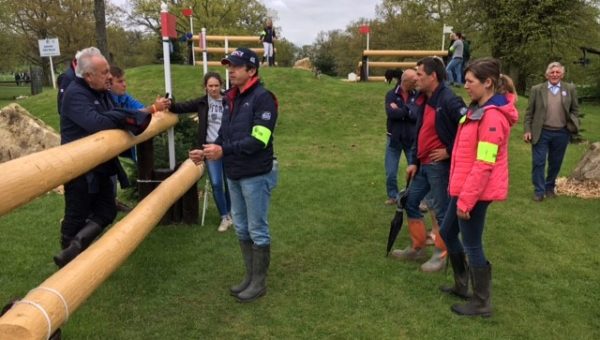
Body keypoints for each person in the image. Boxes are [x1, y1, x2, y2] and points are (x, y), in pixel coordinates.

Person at [54, 47, 151, 268]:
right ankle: (69, 265)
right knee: (75, 217)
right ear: (89, 76)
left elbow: (114, 116)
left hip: (102, 164)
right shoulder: (75, 93)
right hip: (78, 167)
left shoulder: (102, 92)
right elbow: (97, 123)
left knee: (107, 211)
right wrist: (118, 117)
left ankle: (76, 249)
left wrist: (116, 116)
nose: (110, 76)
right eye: (104, 72)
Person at [194, 48, 278, 303]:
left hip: (255, 173)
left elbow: (259, 140)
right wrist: (207, 151)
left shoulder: (264, 98)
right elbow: (223, 133)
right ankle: (249, 277)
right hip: (234, 172)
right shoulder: (230, 97)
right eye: (229, 66)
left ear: (251, 71)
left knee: (257, 229)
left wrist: (224, 150)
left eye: (236, 66)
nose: (230, 70)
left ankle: (259, 283)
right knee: (241, 227)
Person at [439, 58, 519, 317]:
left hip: (476, 193)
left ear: (488, 83)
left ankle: (481, 301)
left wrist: (467, 200)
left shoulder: (492, 117)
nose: (466, 86)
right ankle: (462, 285)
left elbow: (485, 163)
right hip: (462, 187)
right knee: (447, 232)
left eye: (470, 81)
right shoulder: (476, 109)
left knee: (472, 243)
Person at [390, 57, 466, 273]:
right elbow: (420, 132)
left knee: (442, 212)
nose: (416, 79)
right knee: (410, 202)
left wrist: (449, 151)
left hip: (439, 167)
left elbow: (468, 132)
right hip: (423, 164)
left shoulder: (450, 100)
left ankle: (441, 255)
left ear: (433, 76)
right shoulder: (425, 99)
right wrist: (414, 161)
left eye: (420, 75)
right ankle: (417, 248)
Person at [168, 71, 233, 232]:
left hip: (228, 148)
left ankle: (232, 213)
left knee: (230, 183)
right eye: (210, 86)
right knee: (217, 183)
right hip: (209, 149)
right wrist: (169, 103)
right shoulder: (202, 103)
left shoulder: (230, 100)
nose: (213, 89)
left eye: (216, 85)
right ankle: (224, 216)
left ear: (221, 85)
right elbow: (180, 107)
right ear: (205, 87)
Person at [524, 61, 580, 201]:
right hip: (541, 132)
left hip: (561, 133)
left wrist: (573, 123)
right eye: (552, 72)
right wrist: (527, 130)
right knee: (539, 162)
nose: (554, 75)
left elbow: (575, 109)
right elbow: (529, 112)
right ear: (547, 74)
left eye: (557, 72)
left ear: (562, 74)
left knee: (555, 162)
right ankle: (539, 191)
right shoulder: (537, 89)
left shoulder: (569, 89)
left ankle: (549, 187)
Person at [384, 68, 423, 205]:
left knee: (416, 170)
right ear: (405, 81)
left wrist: (402, 110)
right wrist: (408, 110)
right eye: (414, 80)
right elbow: (391, 114)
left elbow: (416, 115)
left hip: (411, 139)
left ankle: (416, 197)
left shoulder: (418, 95)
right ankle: (393, 196)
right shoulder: (391, 95)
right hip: (393, 139)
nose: (417, 82)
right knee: (390, 172)